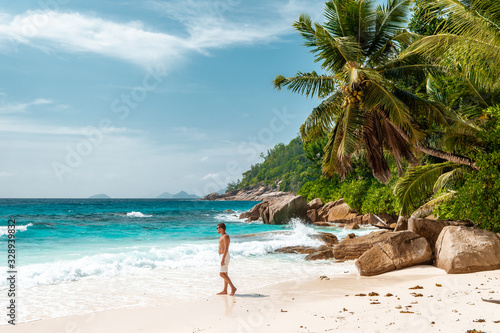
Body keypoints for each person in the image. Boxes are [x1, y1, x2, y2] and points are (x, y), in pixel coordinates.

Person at [216, 223, 237, 296]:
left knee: (222, 274)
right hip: (222, 256)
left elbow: (226, 248)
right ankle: (225, 290)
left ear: (221, 228)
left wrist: (223, 259)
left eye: (217, 228)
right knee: (225, 273)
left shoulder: (225, 236)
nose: (217, 229)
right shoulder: (222, 236)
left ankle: (233, 288)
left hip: (224, 256)